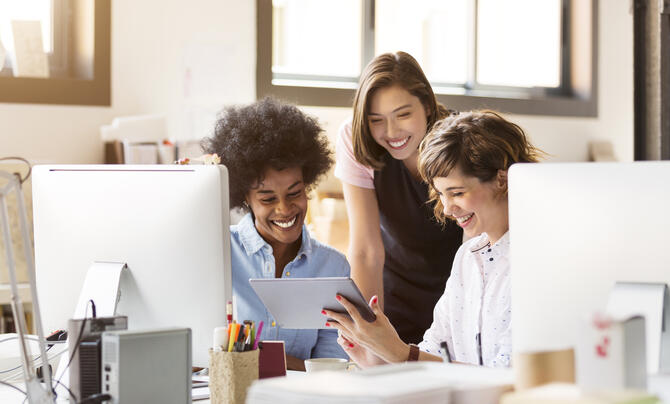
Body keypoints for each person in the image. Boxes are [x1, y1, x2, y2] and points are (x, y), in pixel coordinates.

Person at [325, 110, 544, 368]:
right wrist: (380, 359)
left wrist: (400, 353)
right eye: (441, 194)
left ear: (502, 180)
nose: (448, 208)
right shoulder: (467, 258)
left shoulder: (538, 261)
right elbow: (436, 349)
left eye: (457, 193)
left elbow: (507, 378)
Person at [203, 97, 350, 371]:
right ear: (245, 198)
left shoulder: (333, 267)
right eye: (268, 199)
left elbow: (332, 367)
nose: (284, 209)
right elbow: (200, 353)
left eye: (294, 193)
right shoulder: (218, 252)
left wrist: (256, 360)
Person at [335, 51, 464, 344]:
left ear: (428, 107)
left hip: (459, 289)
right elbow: (366, 250)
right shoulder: (355, 141)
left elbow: (477, 246)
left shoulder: (461, 140)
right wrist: (368, 333)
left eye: (403, 114)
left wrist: (459, 320)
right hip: (395, 294)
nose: (391, 132)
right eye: (376, 120)